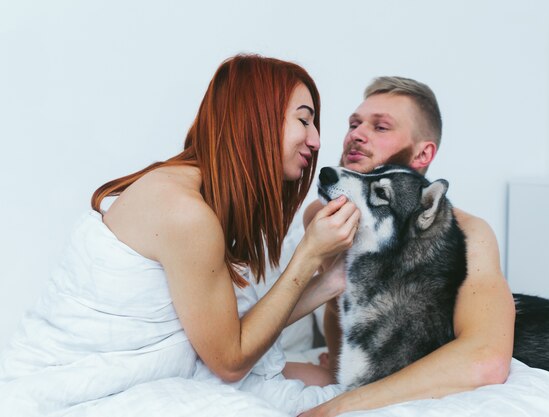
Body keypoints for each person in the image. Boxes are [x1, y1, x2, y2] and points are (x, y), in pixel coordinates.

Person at [0, 54, 359, 415]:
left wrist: (329, 282)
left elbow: (224, 332)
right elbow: (230, 360)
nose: (315, 140)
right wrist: (309, 253)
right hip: (70, 386)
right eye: (303, 120)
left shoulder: (190, 190)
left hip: (146, 367)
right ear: (257, 119)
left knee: (328, 381)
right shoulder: (186, 213)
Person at [300, 76, 517, 416]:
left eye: (380, 127)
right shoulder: (324, 216)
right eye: (354, 123)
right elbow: (338, 308)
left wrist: (341, 405)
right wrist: (337, 370)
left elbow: (486, 358)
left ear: (423, 153)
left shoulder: (471, 234)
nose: (356, 134)